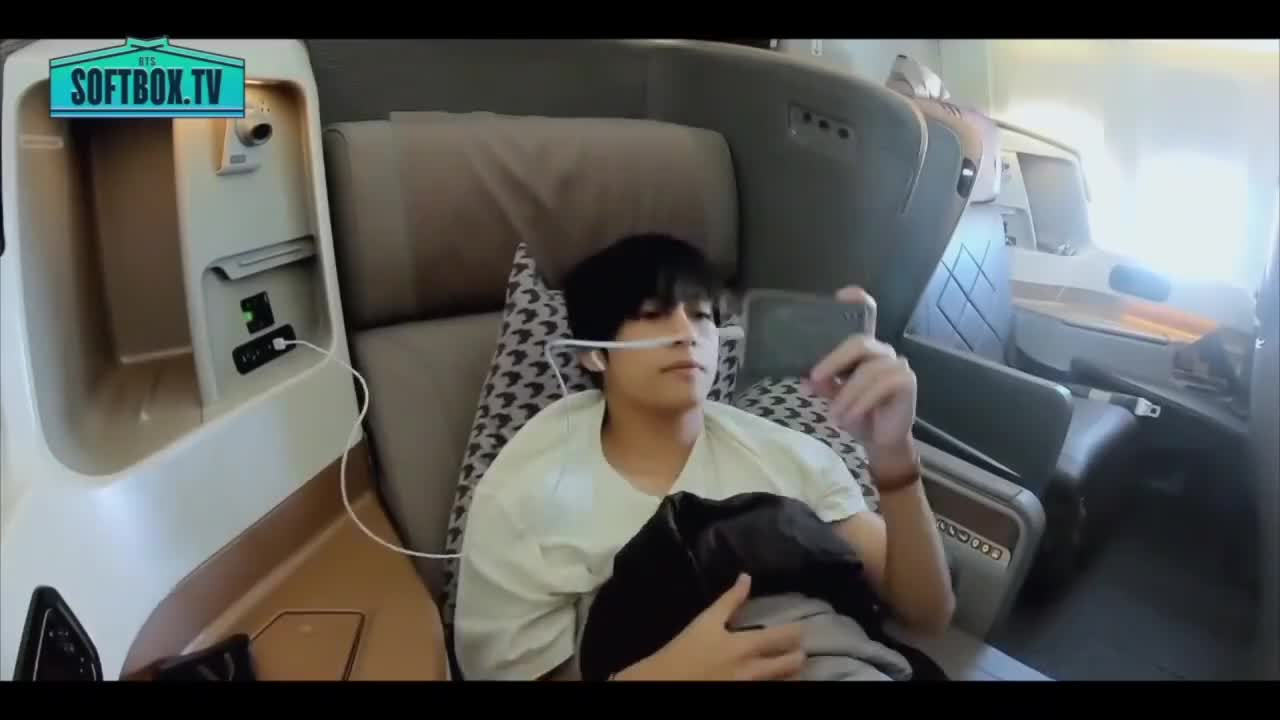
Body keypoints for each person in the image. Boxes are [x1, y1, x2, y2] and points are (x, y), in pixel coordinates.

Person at [454, 234, 954, 681]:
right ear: (593, 352)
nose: (686, 333)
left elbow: (927, 614)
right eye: (653, 314)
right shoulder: (525, 497)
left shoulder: (790, 457)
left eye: (700, 315)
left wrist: (893, 454)